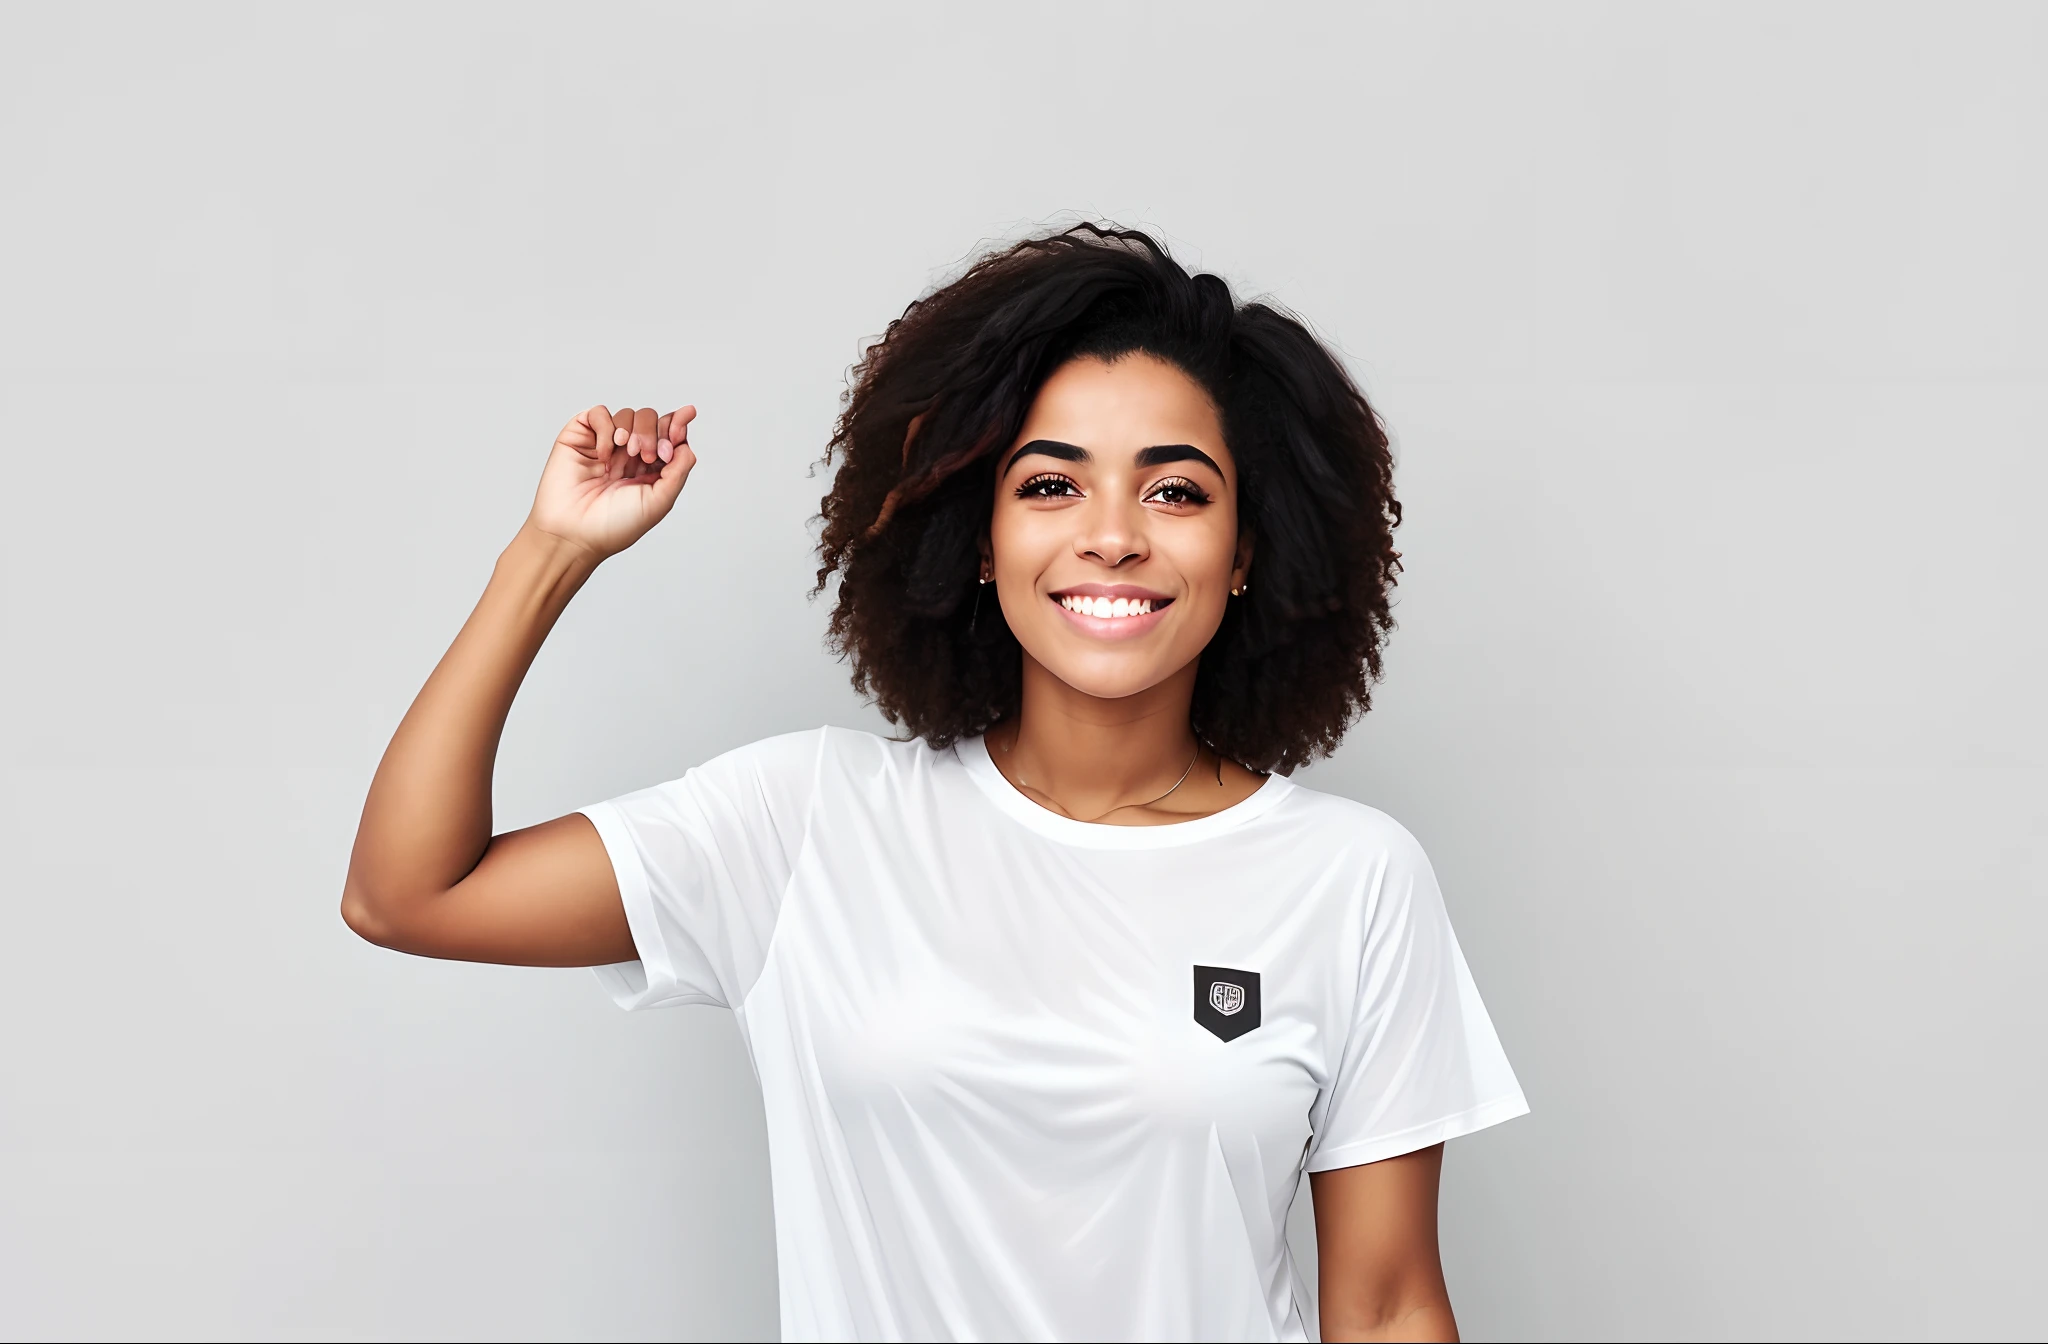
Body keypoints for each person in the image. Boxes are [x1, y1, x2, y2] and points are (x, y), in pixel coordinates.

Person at [341, 223, 1529, 1343]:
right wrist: (549, 552)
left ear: (1246, 551)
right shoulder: (807, 823)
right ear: (976, 540)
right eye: (1050, 485)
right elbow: (409, 893)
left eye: (1173, 491)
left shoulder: (1349, 877)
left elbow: (1383, 1312)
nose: (1112, 536)